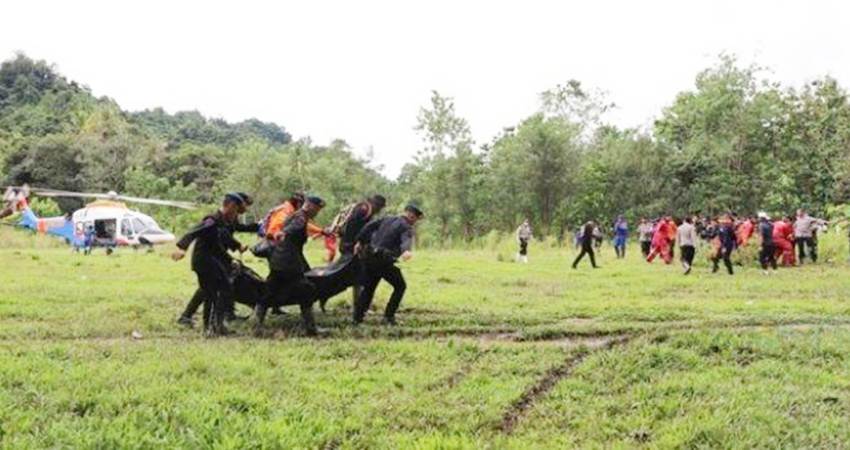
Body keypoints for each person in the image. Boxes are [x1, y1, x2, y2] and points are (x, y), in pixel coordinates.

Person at [177, 193, 259, 327]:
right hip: (204, 261)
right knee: (211, 292)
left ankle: (218, 323)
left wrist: (232, 255)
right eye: (237, 210)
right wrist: (182, 248)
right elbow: (194, 231)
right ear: (231, 206)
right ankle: (210, 326)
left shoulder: (224, 220)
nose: (237, 215)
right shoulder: (213, 220)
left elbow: (220, 243)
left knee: (223, 288)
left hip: (215, 259)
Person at [255, 196, 326, 336]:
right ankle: (311, 329)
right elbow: (293, 228)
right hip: (289, 263)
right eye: (317, 209)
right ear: (310, 206)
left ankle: (257, 325)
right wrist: (284, 233)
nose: (317, 212)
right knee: (306, 291)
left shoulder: (296, 214)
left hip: (279, 261)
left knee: (269, 291)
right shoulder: (300, 217)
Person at [352, 204, 424, 325]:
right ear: (411, 216)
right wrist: (406, 250)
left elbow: (369, 226)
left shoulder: (388, 218)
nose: (415, 222)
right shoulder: (406, 226)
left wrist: (359, 241)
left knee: (368, 288)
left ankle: (357, 318)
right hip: (383, 260)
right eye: (416, 219)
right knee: (400, 286)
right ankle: (388, 317)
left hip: (369, 256)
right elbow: (406, 239)